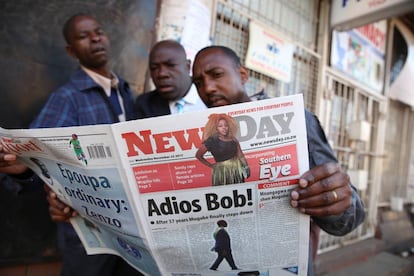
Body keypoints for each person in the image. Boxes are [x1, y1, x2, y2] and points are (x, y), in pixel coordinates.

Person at [192, 45, 365, 275]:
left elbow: (351, 216)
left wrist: (338, 202)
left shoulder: (293, 120)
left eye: (216, 75)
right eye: (197, 83)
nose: (208, 88)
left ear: (243, 75)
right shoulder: (200, 131)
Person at [0, 13, 141, 276]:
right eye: (83, 36)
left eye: (98, 31)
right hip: (88, 235)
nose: (95, 38)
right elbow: (30, 160)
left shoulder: (124, 90)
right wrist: (24, 169)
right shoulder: (67, 98)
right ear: (71, 50)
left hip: (129, 229)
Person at [135, 39, 206, 119]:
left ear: (188, 66)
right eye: (154, 68)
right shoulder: (144, 105)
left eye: (170, 65)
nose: (162, 74)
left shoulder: (209, 96)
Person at [196, 113, 250, 185]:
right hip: (222, 172)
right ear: (215, 128)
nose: (224, 128)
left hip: (236, 169)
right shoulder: (211, 141)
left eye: (226, 125)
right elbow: (198, 155)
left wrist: (246, 167)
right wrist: (210, 165)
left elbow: (241, 156)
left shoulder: (233, 139)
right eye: (220, 126)